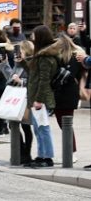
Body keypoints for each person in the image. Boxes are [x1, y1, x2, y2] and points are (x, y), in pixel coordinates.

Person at [24, 25, 58, 168]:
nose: (32, 37)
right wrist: (22, 62)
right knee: (38, 129)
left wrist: (38, 99)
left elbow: (44, 80)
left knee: (43, 128)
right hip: (35, 98)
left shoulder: (45, 57)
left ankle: (47, 157)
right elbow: (34, 74)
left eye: (34, 35)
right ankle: (41, 155)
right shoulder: (40, 55)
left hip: (41, 99)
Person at [52, 34, 85, 154]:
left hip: (67, 95)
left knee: (66, 125)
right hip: (60, 94)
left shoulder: (74, 56)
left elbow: (69, 75)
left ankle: (72, 152)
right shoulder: (58, 57)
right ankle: (71, 152)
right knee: (63, 125)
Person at [9, 41, 35, 165]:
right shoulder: (19, 63)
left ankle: (26, 154)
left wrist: (20, 81)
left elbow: (33, 80)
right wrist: (4, 65)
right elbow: (10, 79)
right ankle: (21, 151)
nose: (20, 53)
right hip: (16, 98)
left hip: (25, 99)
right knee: (13, 125)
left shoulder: (31, 62)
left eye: (22, 50)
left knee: (26, 126)